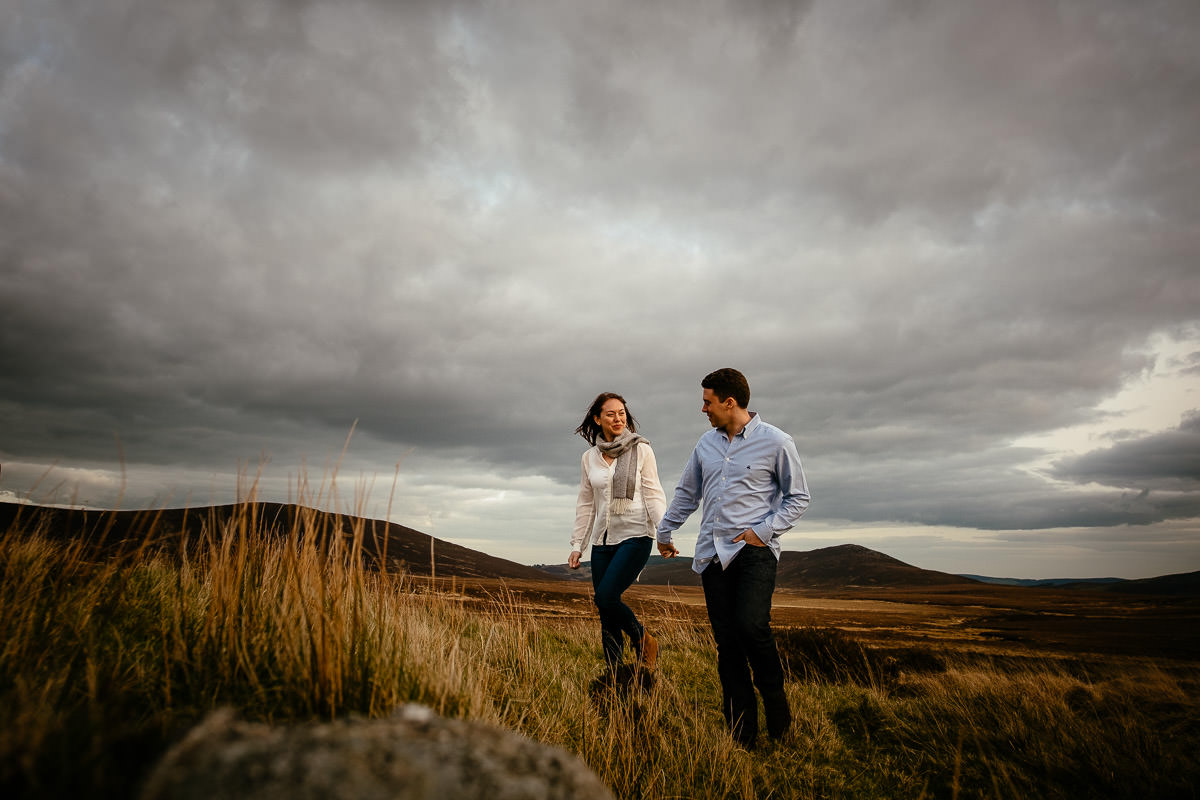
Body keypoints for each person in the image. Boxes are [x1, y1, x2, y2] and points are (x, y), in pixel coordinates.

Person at [656, 368, 810, 748]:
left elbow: (798, 497)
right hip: (712, 555)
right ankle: (742, 732)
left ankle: (778, 716)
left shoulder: (776, 442)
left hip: (753, 552)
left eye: (707, 401)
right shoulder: (705, 445)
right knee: (727, 644)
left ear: (730, 402)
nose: (702, 408)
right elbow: (687, 493)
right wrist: (664, 530)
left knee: (751, 627)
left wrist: (763, 532)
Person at [570, 392, 667, 673]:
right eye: (610, 414)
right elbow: (586, 504)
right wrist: (578, 544)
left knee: (606, 598)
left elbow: (653, 494)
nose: (618, 418)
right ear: (598, 419)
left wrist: (664, 532)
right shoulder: (589, 458)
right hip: (602, 542)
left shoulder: (642, 450)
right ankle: (614, 675)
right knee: (606, 613)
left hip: (636, 535)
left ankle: (643, 639)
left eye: (622, 413)